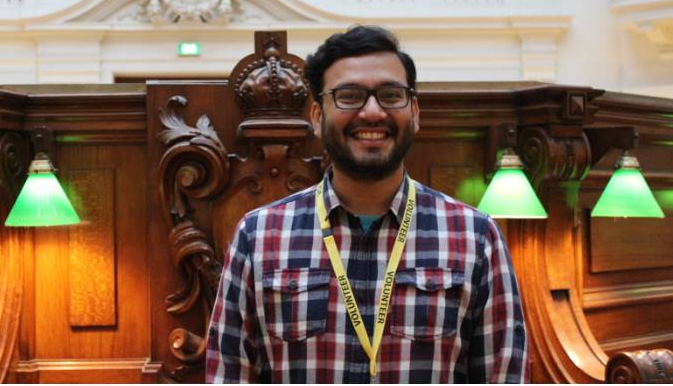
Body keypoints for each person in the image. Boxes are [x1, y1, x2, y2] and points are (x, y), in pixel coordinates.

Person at [205, 25, 528, 383]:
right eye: (349, 95)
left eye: (390, 95)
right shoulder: (259, 235)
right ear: (316, 116)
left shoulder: (476, 237)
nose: (372, 112)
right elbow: (229, 376)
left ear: (415, 112)